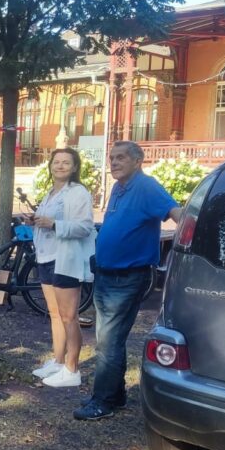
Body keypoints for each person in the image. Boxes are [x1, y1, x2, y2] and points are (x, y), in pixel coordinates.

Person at [73, 141, 182, 421]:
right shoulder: (119, 188)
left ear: (138, 160)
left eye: (121, 157)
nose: (114, 162)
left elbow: (177, 214)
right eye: (111, 158)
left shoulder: (146, 186)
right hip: (107, 274)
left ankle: (103, 401)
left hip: (128, 276)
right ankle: (116, 394)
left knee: (108, 341)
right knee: (109, 338)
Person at [29, 148, 96, 388]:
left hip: (65, 259)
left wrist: (54, 223)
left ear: (75, 167)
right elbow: (46, 223)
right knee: (55, 314)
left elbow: (84, 227)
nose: (60, 166)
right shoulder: (51, 193)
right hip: (46, 257)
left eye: (66, 162)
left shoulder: (78, 193)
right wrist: (36, 221)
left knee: (69, 316)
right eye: (56, 162)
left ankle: (72, 368)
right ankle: (58, 361)